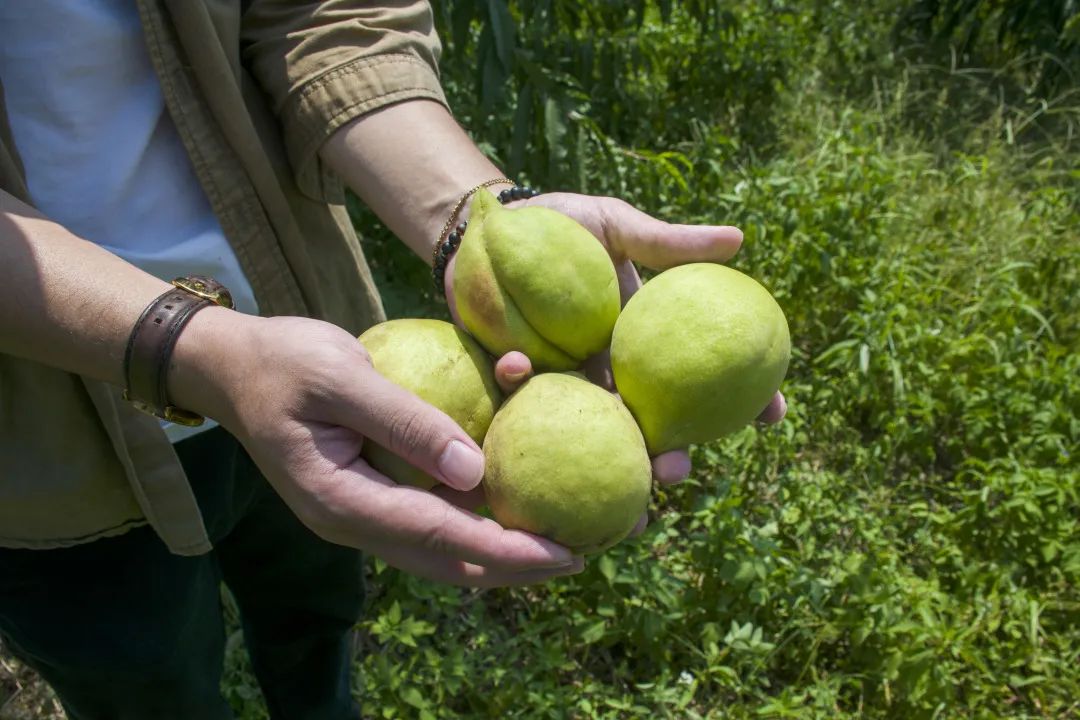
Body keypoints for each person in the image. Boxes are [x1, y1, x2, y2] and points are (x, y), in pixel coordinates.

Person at [0, 1, 786, 718]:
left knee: (316, 609)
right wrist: (197, 349)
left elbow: (321, 11)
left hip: (330, 370)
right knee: (140, 678)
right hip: (50, 454)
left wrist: (471, 217)